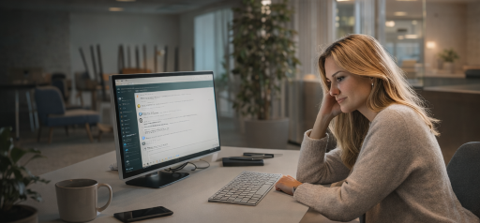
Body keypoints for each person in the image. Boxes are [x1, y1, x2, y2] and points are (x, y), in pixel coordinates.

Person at [274, 34, 480, 222]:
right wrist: (323, 118)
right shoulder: (372, 123)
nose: (333, 91)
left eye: (340, 78)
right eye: (329, 82)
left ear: (371, 74)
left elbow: (344, 206)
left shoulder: (395, 120)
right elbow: (311, 176)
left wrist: (297, 189)